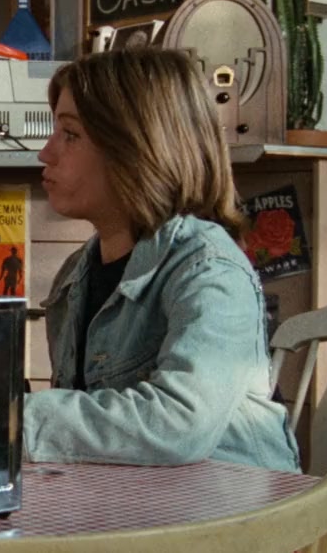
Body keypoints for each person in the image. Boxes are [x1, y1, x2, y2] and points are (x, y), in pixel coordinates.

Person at [23, 48, 299, 471]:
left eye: (70, 134)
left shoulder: (208, 268)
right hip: (144, 498)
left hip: (243, 503)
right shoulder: (74, 276)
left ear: (136, 147)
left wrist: (6, 420)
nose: (46, 153)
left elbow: (179, 422)